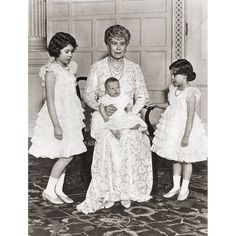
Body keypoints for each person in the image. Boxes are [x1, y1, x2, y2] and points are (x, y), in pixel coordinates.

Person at [76, 24, 153, 214]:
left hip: (127, 116)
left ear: (127, 45)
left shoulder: (134, 69)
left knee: (128, 137)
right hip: (104, 117)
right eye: (114, 43)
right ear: (107, 44)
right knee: (110, 140)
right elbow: (89, 95)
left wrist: (132, 112)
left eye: (122, 43)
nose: (118, 47)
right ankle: (109, 191)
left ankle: (125, 190)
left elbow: (142, 95)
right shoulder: (98, 67)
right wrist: (102, 109)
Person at [29, 32, 87, 204]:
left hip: (70, 115)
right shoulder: (51, 71)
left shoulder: (70, 67)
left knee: (67, 151)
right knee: (68, 154)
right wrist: (56, 125)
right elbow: (51, 101)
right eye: (66, 51)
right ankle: (48, 190)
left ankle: (58, 189)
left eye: (71, 52)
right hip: (58, 117)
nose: (70, 55)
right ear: (57, 51)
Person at [150, 59, 207, 201]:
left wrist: (186, 136)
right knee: (175, 158)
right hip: (173, 128)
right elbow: (171, 105)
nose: (172, 78)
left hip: (186, 129)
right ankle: (176, 186)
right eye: (171, 75)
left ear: (185, 75)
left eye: (175, 75)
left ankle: (184, 188)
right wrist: (156, 104)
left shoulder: (191, 94)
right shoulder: (173, 90)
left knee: (186, 159)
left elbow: (190, 117)